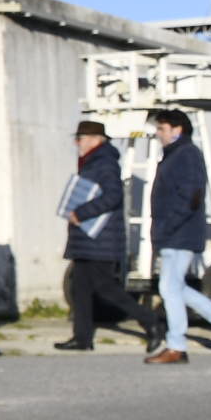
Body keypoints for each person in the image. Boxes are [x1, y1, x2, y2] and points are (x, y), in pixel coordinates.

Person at [143, 107, 211, 365]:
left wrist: (168, 226)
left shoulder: (186, 155)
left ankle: (177, 346)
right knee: (176, 288)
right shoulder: (175, 155)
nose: (158, 134)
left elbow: (191, 197)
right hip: (173, 232)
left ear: (178, 130)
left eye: (162, 129)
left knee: (168, 287)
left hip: (179, 233)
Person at [58, 120, 151, 351]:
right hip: (88, 239)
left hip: (100, 238)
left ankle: (152, 323)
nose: (76, 143)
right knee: (80, 289)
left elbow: (112, 196)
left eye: (79, 139)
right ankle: (82, 338)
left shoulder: (105, 163)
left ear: (94, 140)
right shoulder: (93, 162)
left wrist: (81, 212)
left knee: (106, 289)